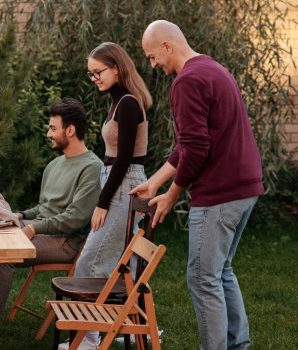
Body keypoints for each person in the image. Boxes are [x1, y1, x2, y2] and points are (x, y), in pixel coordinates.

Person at [134, 20, 263, 350]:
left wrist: (171, 195)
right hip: (244, 189)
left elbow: (196, 148)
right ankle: (238, 346)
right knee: (220, 272)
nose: (153, 65)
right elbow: (189, 142)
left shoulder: (187, 81)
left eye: (152, 57)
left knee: (203, 279)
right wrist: (155, 181)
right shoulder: (212, 69)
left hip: (219, 194)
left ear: (168, 46)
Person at [0, 98, 103, 345]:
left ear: (70, 130)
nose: (48, 133)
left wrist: (32, 228)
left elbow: (75, 218)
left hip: (65, 242)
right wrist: (19, 216)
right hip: (42, 231)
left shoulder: (92, 168)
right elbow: (45, 207)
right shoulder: (54, 164)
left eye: (53, 128)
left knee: (4, 255)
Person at [59, 42, 153, 350]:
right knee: (101, 259)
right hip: (117, 180)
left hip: (124, 182)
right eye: (91, 74)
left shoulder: (127, 103)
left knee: (90, 260)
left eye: (98, 72)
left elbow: (124, 158)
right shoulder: (117, 101)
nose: (94, 78)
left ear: (116, 67)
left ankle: (89, 339)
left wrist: (102, 203)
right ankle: (105, 332)